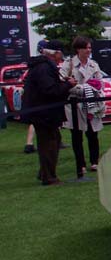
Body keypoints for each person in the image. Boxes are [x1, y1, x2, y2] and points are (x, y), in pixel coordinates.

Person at [20, 40, 76, 186]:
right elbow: (50, 91)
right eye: (60, 53)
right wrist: (67, 85)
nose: (61, 56)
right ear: (56, 53)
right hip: (43, 113)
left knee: (53, 141)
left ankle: (45, 172)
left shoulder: (43, 67)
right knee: (48, 144)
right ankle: (49, 177)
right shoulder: (44, 68)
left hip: (43, 112)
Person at [61, 36, 104, 176]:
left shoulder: (93, 64)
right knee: (77, 135)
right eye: (86, 48)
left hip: (92, 104)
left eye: (90, 48)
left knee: (93, 134)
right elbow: (64, 84)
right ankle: (80, 165)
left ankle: (94, 161)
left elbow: (99, 82)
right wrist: (84, 89)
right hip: (76, 105)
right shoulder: (68, 64)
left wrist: (94, 89)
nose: (89, 50)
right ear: (78, 49)